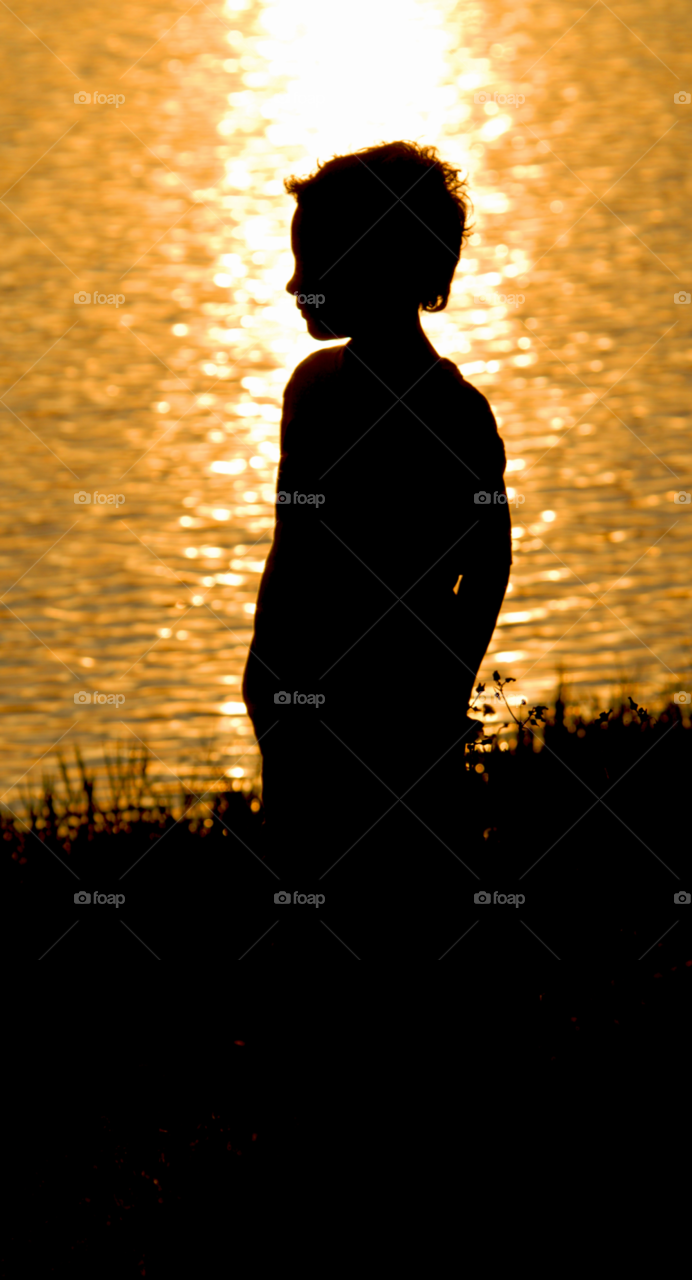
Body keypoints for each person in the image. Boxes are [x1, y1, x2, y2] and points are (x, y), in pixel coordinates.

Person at [242, 141, 512, 959]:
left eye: (312, 262)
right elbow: (293, 548)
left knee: (402, 923)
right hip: (305, 710)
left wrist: (445, 684)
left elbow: (490, 554)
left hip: (398, 720)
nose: (295, 285)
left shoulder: (454, 415)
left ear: (379, 264)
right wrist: (265, 678)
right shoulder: (312, 391)